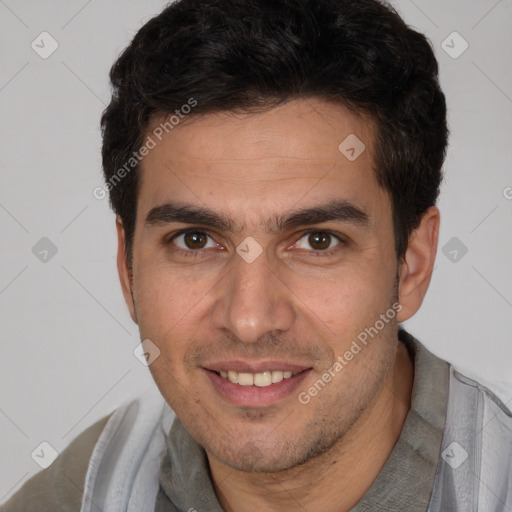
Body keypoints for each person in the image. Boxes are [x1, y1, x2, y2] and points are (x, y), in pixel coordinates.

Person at [2, 0, 511, 510]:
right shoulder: (73, 497)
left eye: (318, 241)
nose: (248, 319)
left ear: (412, 265)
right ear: (127, 268)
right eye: (195, 240)